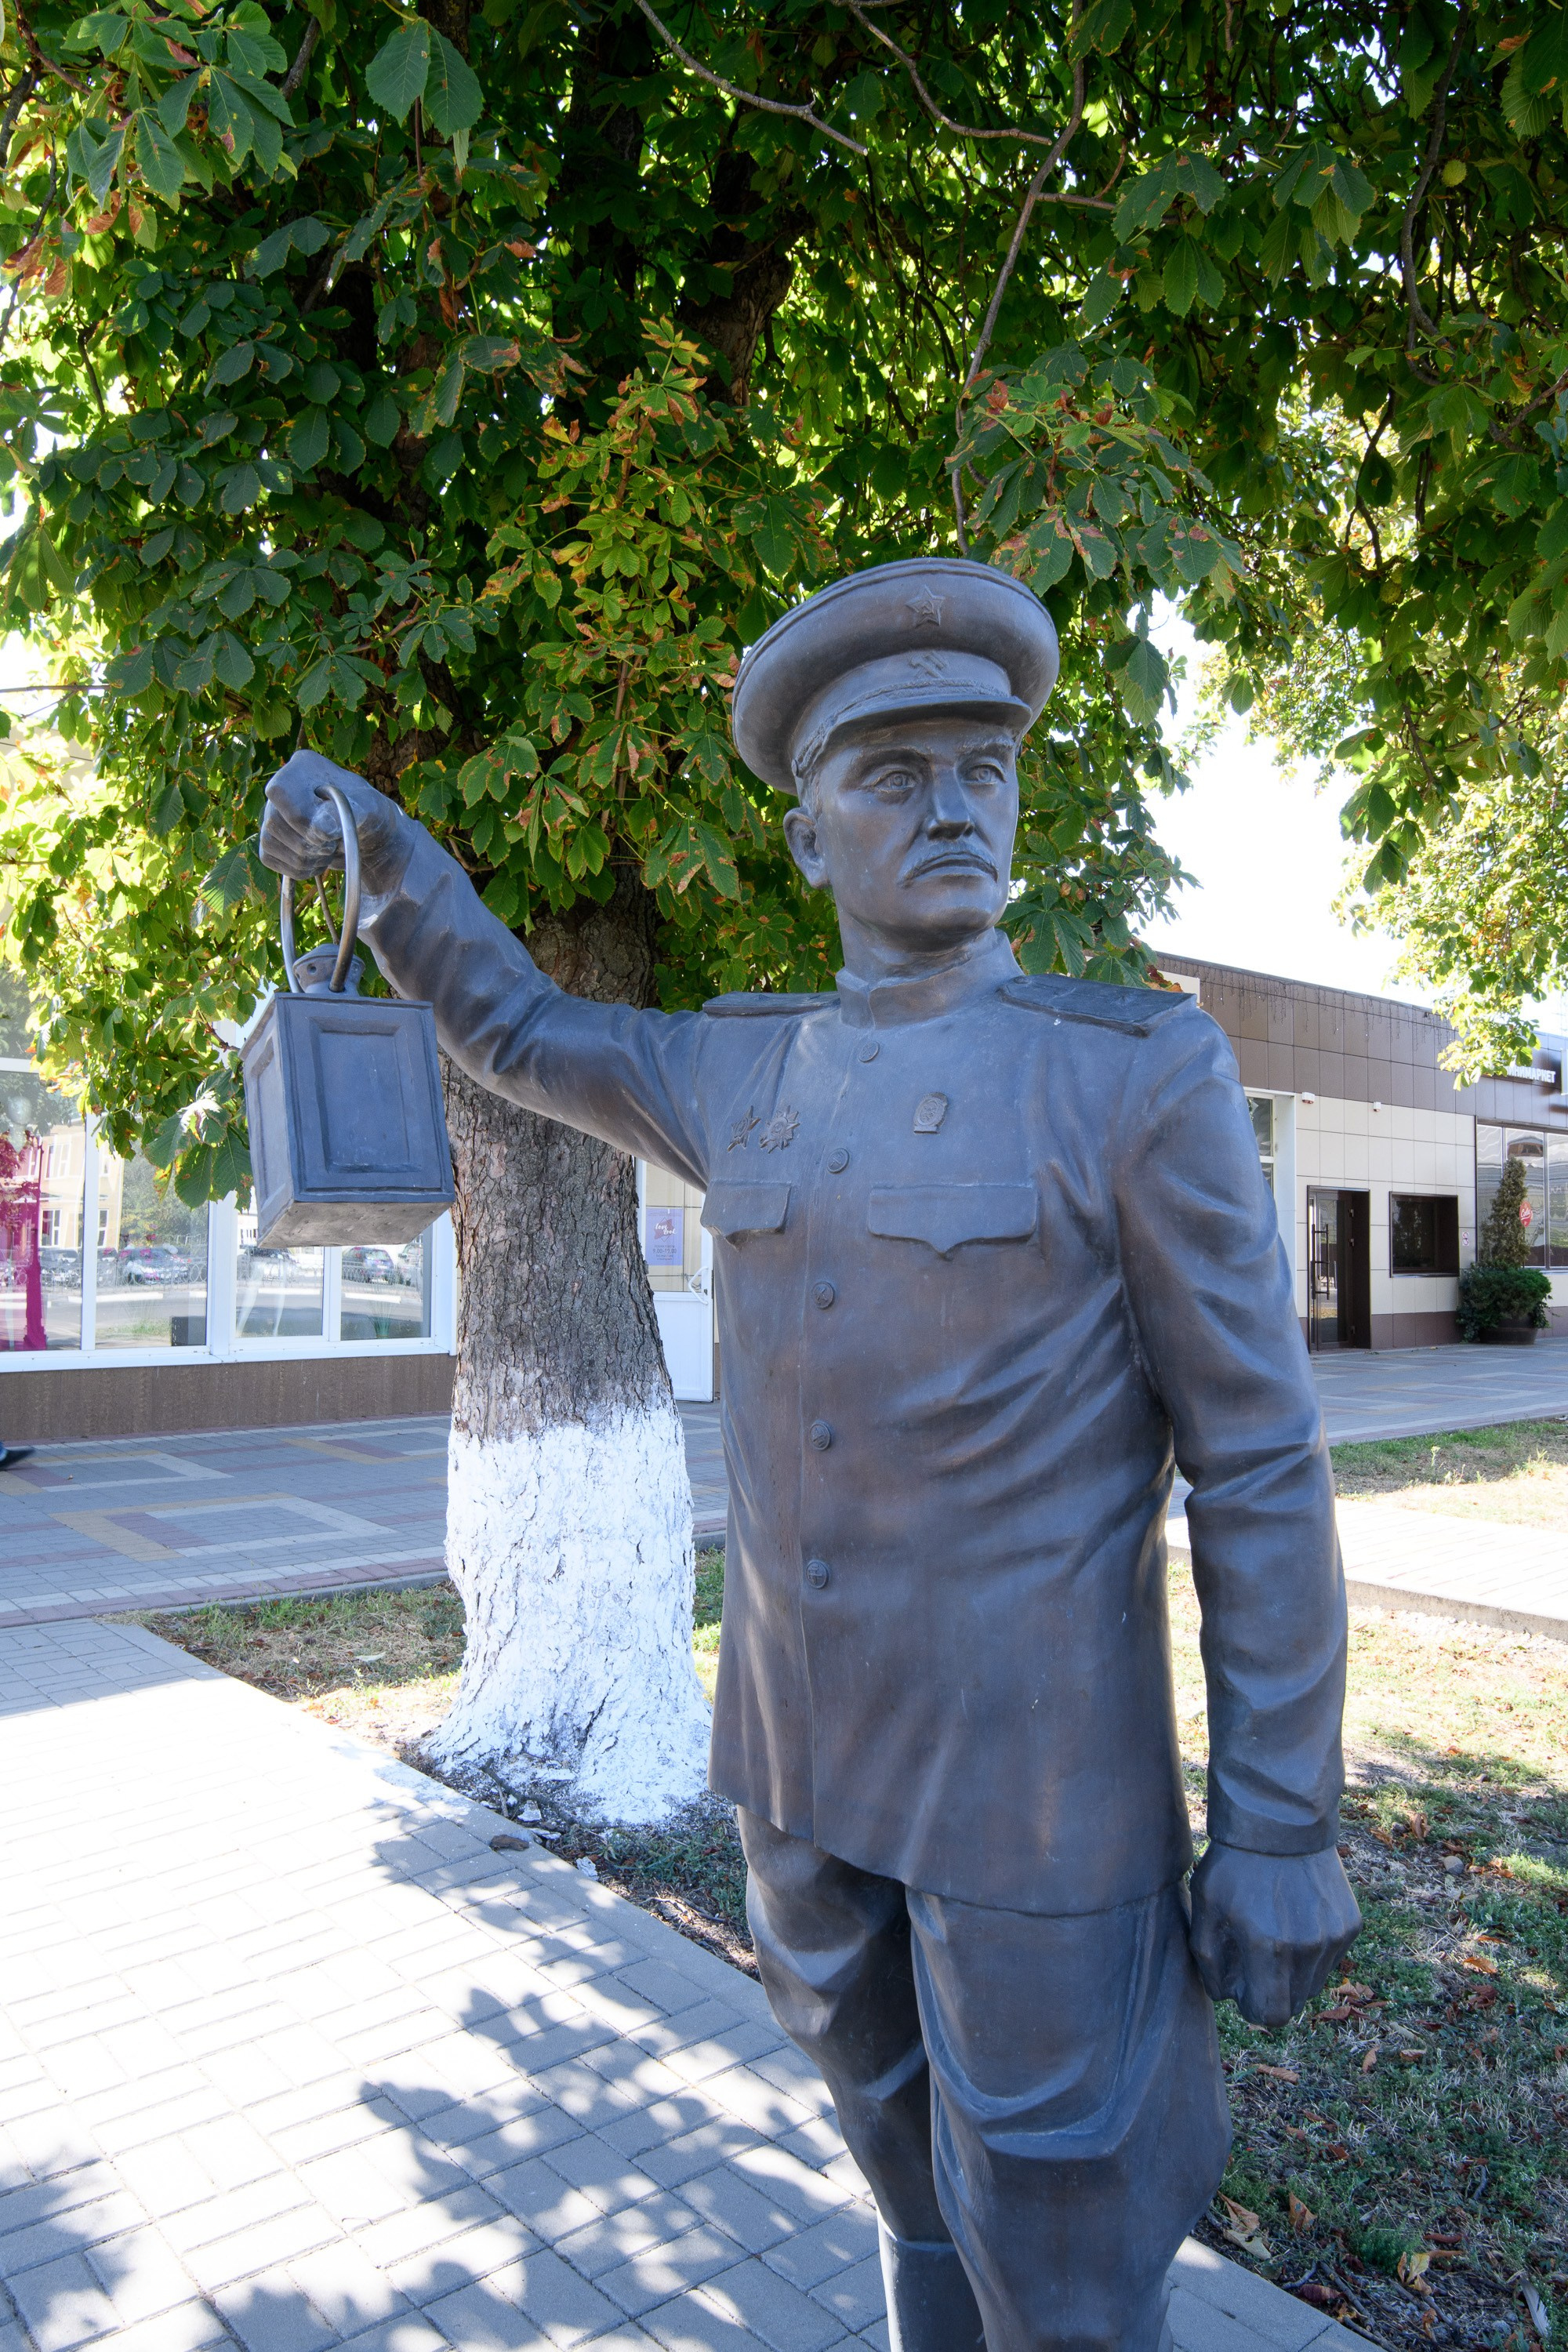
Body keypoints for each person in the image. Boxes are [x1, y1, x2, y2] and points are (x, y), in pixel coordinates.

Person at [260, 557, 1359, 2352]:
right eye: (894, 775)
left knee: (1062, 2260)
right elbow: (518, 1024)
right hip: (795, 1769)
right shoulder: (743, 1072)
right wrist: (378, 853)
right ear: (805, 838)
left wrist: (1281, 1825)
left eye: (984, 769)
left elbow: (1257, 1461)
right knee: (910, 2199)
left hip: (1035, 1798)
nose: (953, 808)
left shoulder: (1131, 1075)